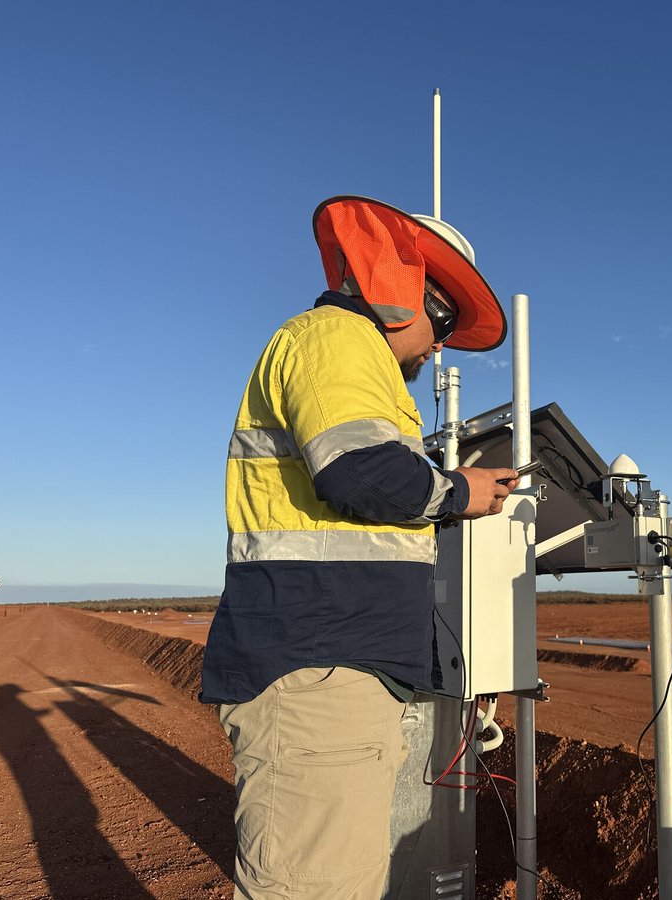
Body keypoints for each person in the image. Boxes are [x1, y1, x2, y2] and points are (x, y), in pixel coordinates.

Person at [200, 195, 519, 900]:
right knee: (315, 884)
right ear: (407, 292)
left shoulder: (348, 356)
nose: (440, 347)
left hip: (334, 665)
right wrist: (459, 492)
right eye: (444, 323)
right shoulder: (337, 339)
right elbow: (360, 473)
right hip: (320, 666)